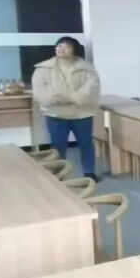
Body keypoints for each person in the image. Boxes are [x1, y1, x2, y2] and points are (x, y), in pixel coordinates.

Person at [32, 36, 101, 180]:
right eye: (59, 46)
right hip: (56, 114)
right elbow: (39, 90)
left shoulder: (87, 68)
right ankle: (59, 175)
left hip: (82, 113)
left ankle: (89, 172)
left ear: (74, 49)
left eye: (67, 47)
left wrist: (68, 97)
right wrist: (59, 98)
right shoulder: (43, 68)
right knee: (57, 146)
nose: (61, 49)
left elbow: (91, 88)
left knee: (86, 143)